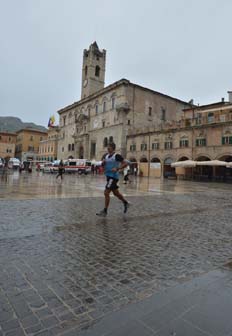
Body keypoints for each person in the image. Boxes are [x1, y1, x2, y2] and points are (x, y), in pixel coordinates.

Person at [96, 143, 130, 217]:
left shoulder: (117, 156)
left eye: (109, 147)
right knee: (116, 193)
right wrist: (103, 163)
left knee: (106, 192)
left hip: (114, 177)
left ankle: (105, 211)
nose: (108, 148)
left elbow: (126, 163)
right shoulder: (106, 156)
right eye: (107, 147)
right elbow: (102, 165)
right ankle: (125, 203)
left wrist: (117, 168)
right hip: (108, 176)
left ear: (113, 148)